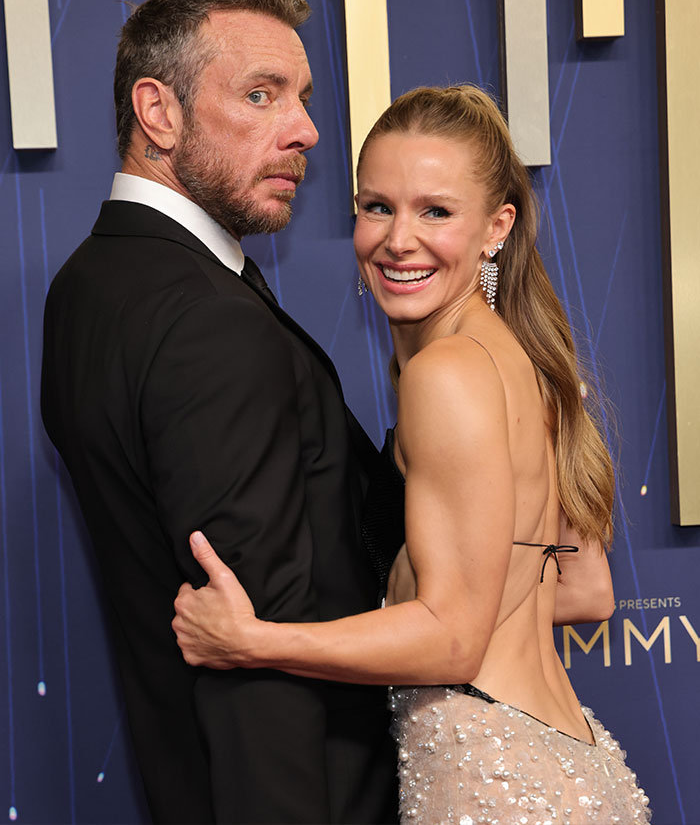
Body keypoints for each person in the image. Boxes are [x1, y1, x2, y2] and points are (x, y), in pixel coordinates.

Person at [172, 85, 652, 824]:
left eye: (436, 211)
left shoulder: (446, 374)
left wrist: (252, 639)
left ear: (497, 227)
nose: (399, 239)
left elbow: (454, 640)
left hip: (492, 785)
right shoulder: (528, 360)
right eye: (377, 206)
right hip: (571, 766)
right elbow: (587, 590)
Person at [41, 0, 397, 825]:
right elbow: (254, 650)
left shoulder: (87, 284)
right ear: (157, 111)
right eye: (262, 94)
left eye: (303, 98)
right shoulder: (208, 319)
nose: (307, 129)